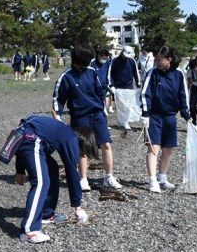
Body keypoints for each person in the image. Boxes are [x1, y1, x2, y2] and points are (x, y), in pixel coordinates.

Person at [9, 116, 93, 243]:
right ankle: (29, 231)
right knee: (41, 182)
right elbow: (72, 172)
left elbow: (23, 134)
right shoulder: (70, 138)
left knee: (52, 168)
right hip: (31, 140)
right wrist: (78, 207)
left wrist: (20, 170)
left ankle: (46, 214)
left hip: (28, 138)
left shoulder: (62, 132)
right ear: (82, 141)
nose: (81, 155)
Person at [53, 44, 122, 191]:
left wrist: (103, 110)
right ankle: (83, 179)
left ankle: (109, 177)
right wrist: (57, 116)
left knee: (106, 145)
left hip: (97, 115)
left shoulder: (91, 72)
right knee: (82, 149)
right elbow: (58, 99)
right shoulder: (66, 77)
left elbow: (99, 92)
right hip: (80, 117)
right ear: (78, 59)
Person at [141, 46, 190, 193]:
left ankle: (162, 177)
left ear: (169, 59)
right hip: (154, 115)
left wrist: (187, 113)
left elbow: (183, 95)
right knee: (153, 147)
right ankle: (152, 180)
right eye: (156, 59)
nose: (156, 62)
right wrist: (145, 112)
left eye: (159, 59)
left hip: (170, 116)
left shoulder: (179, 74)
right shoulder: (153, 73)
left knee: (168, 148)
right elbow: (145, 93)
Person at [108, 45, 142, 129]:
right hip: (118, 86)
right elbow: (110, 73)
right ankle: (121, 122)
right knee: (120, 106)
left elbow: (136, 72)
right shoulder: (115, 61)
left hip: (129, 85)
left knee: (128, 105)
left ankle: (126, 121)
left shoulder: (132, 61)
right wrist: (111, 85)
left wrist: (138, 83)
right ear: (122, 52)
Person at [90, 49, 113, 113]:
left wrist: (109, 83)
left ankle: (104, 108)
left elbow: (109, 73)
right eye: (104, 58)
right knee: (96, 98)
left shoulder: (107, 62)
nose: (105, 60)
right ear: (99, 56)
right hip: (95, 84)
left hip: (105, 83)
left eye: (106, 58)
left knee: (105, 96)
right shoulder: (93, 62)